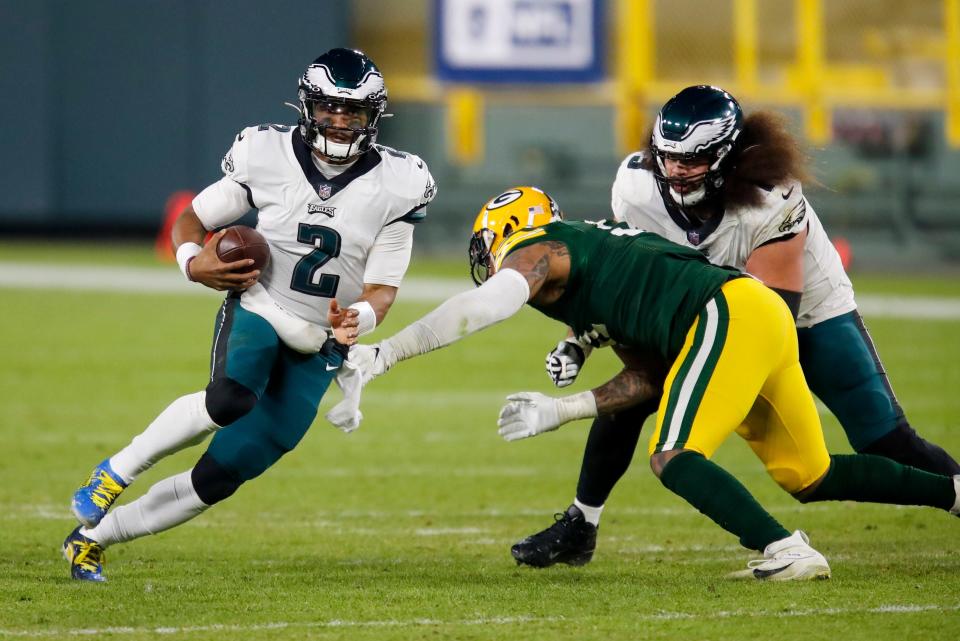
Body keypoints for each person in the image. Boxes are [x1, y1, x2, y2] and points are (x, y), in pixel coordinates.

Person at [349, 185, 959, 581]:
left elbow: (487, 305)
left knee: (674, 456)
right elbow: (645, 378)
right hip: (755, 317)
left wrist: (388, 353)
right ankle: (954, 494)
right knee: (811, 473)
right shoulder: (600, 273)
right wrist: (563, 410)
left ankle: (785, 549)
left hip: (731, 313)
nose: (494, 264)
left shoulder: (542, 249)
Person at [513, 85, 960, 569]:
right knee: (632, 398)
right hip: (704, 311)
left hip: (803, 313)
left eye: (693, 159)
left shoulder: (772, 197)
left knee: (881, 438)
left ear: (727, 155)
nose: (676, 170)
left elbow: (772, 313)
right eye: (667, 157)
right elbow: (623, 284)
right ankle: (582, 523)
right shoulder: (637, 189)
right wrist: (578, 339)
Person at [63, 48, 437, 582]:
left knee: (224, 473)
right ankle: (113, 473)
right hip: (262, 305)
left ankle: (92, 541)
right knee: (231, 397)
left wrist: (359, 318)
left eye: (352, 112)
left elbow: (382, 289)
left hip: (321, 343)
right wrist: (193, 264)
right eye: (330, 107)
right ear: (308, 106)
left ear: (373, 117)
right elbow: (192, 219)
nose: (339, 121)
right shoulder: (267, 152)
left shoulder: (400, 182)